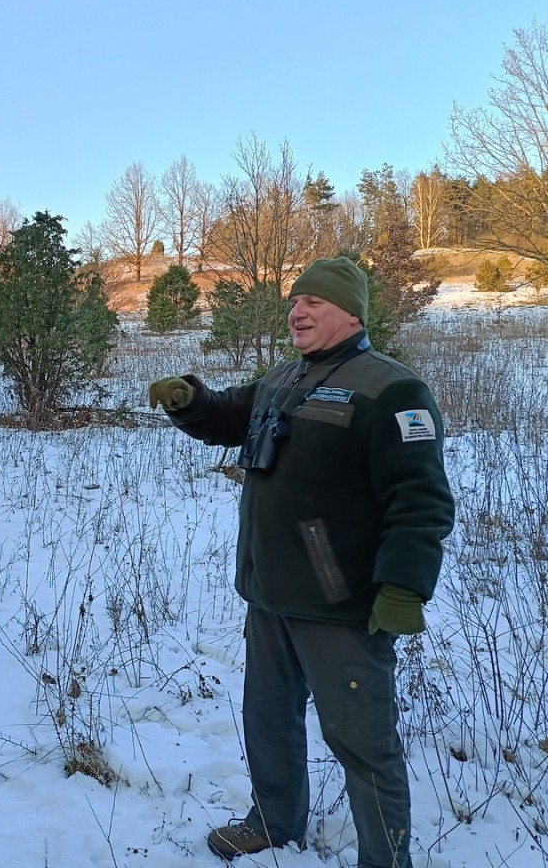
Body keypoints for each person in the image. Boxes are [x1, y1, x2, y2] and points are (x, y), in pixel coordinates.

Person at [149, 257, 454, 868]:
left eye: (314, 302)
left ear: (352, 313)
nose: (298, 312)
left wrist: (404, 585)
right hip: (270, 593)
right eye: (294, 302)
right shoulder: (284, 377)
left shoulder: (391, 390)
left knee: (362, 742)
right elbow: (230, 418)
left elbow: (420, 500)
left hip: (339, 604)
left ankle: (385, 859)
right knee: (267, 719)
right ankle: (273, 821)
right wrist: (191, 401)